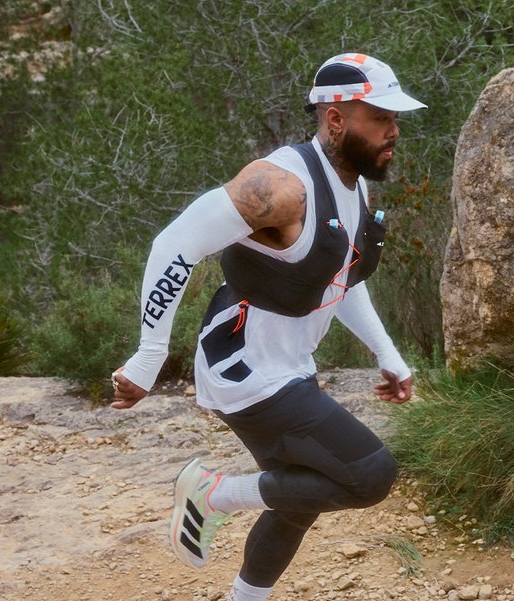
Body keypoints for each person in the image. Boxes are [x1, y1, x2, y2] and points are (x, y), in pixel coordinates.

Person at [110, 53, 425, 601]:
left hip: (288, 365)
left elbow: (339, 275)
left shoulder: (352, 183)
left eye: (395, 119)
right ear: (336, 120)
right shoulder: (280, 186)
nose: (393, 131)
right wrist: (149, 353)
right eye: (381, 118)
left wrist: (387, 353)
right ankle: (213, 494)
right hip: (244, 364)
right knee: (370, 474)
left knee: (298, 502)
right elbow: (175, 244)